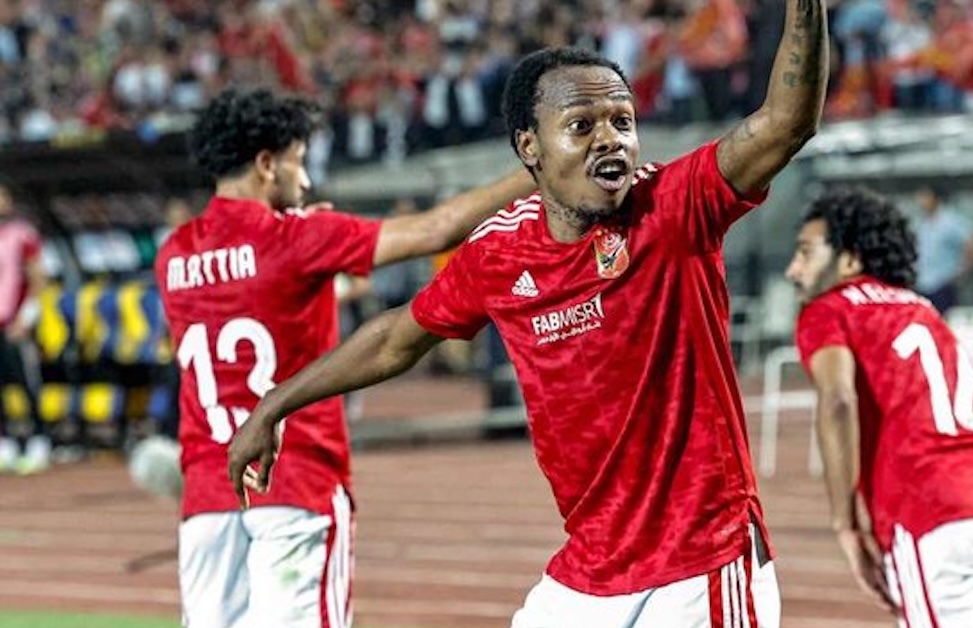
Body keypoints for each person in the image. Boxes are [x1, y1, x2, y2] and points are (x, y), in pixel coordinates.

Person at [229, 0, 830, 623]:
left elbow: (785, 123)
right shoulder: (497, 253)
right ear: (529, 146)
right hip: (591, 566)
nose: (610, 139)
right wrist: (274, 405)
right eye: (582, 125)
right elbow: (394, 340)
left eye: (622, 121)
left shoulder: (674, 206)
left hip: (702, 561)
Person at [155, 88, 535, 628]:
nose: (305, 181)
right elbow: (437, 229)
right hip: (295, 481)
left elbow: (250, 301)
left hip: (207, 499)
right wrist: (540, 167)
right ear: (266, 164)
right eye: (298, 162)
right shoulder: (299, 236)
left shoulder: (174, 253)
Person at [786, 187, 973, 627]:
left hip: (931, 508)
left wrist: (846, 524)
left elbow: (838, 399)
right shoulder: (920, 307)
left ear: (849, 260)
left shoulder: (828, 309)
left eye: (806, 252)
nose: (793, 269)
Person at [0, 183, 51, 475]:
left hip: (15, 324)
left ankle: (39, 439)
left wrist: (25, 318)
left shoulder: (23, 234)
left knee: (27, 384)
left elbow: (38, 278)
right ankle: (5, 443)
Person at [913, 184, 973, 313]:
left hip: (943, 283)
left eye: (925, 197)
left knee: (944, 318)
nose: (920, 201)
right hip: (922, 284)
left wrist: (964, 270)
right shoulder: (921, 223)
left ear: (935, 198)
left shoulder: (950, 221)